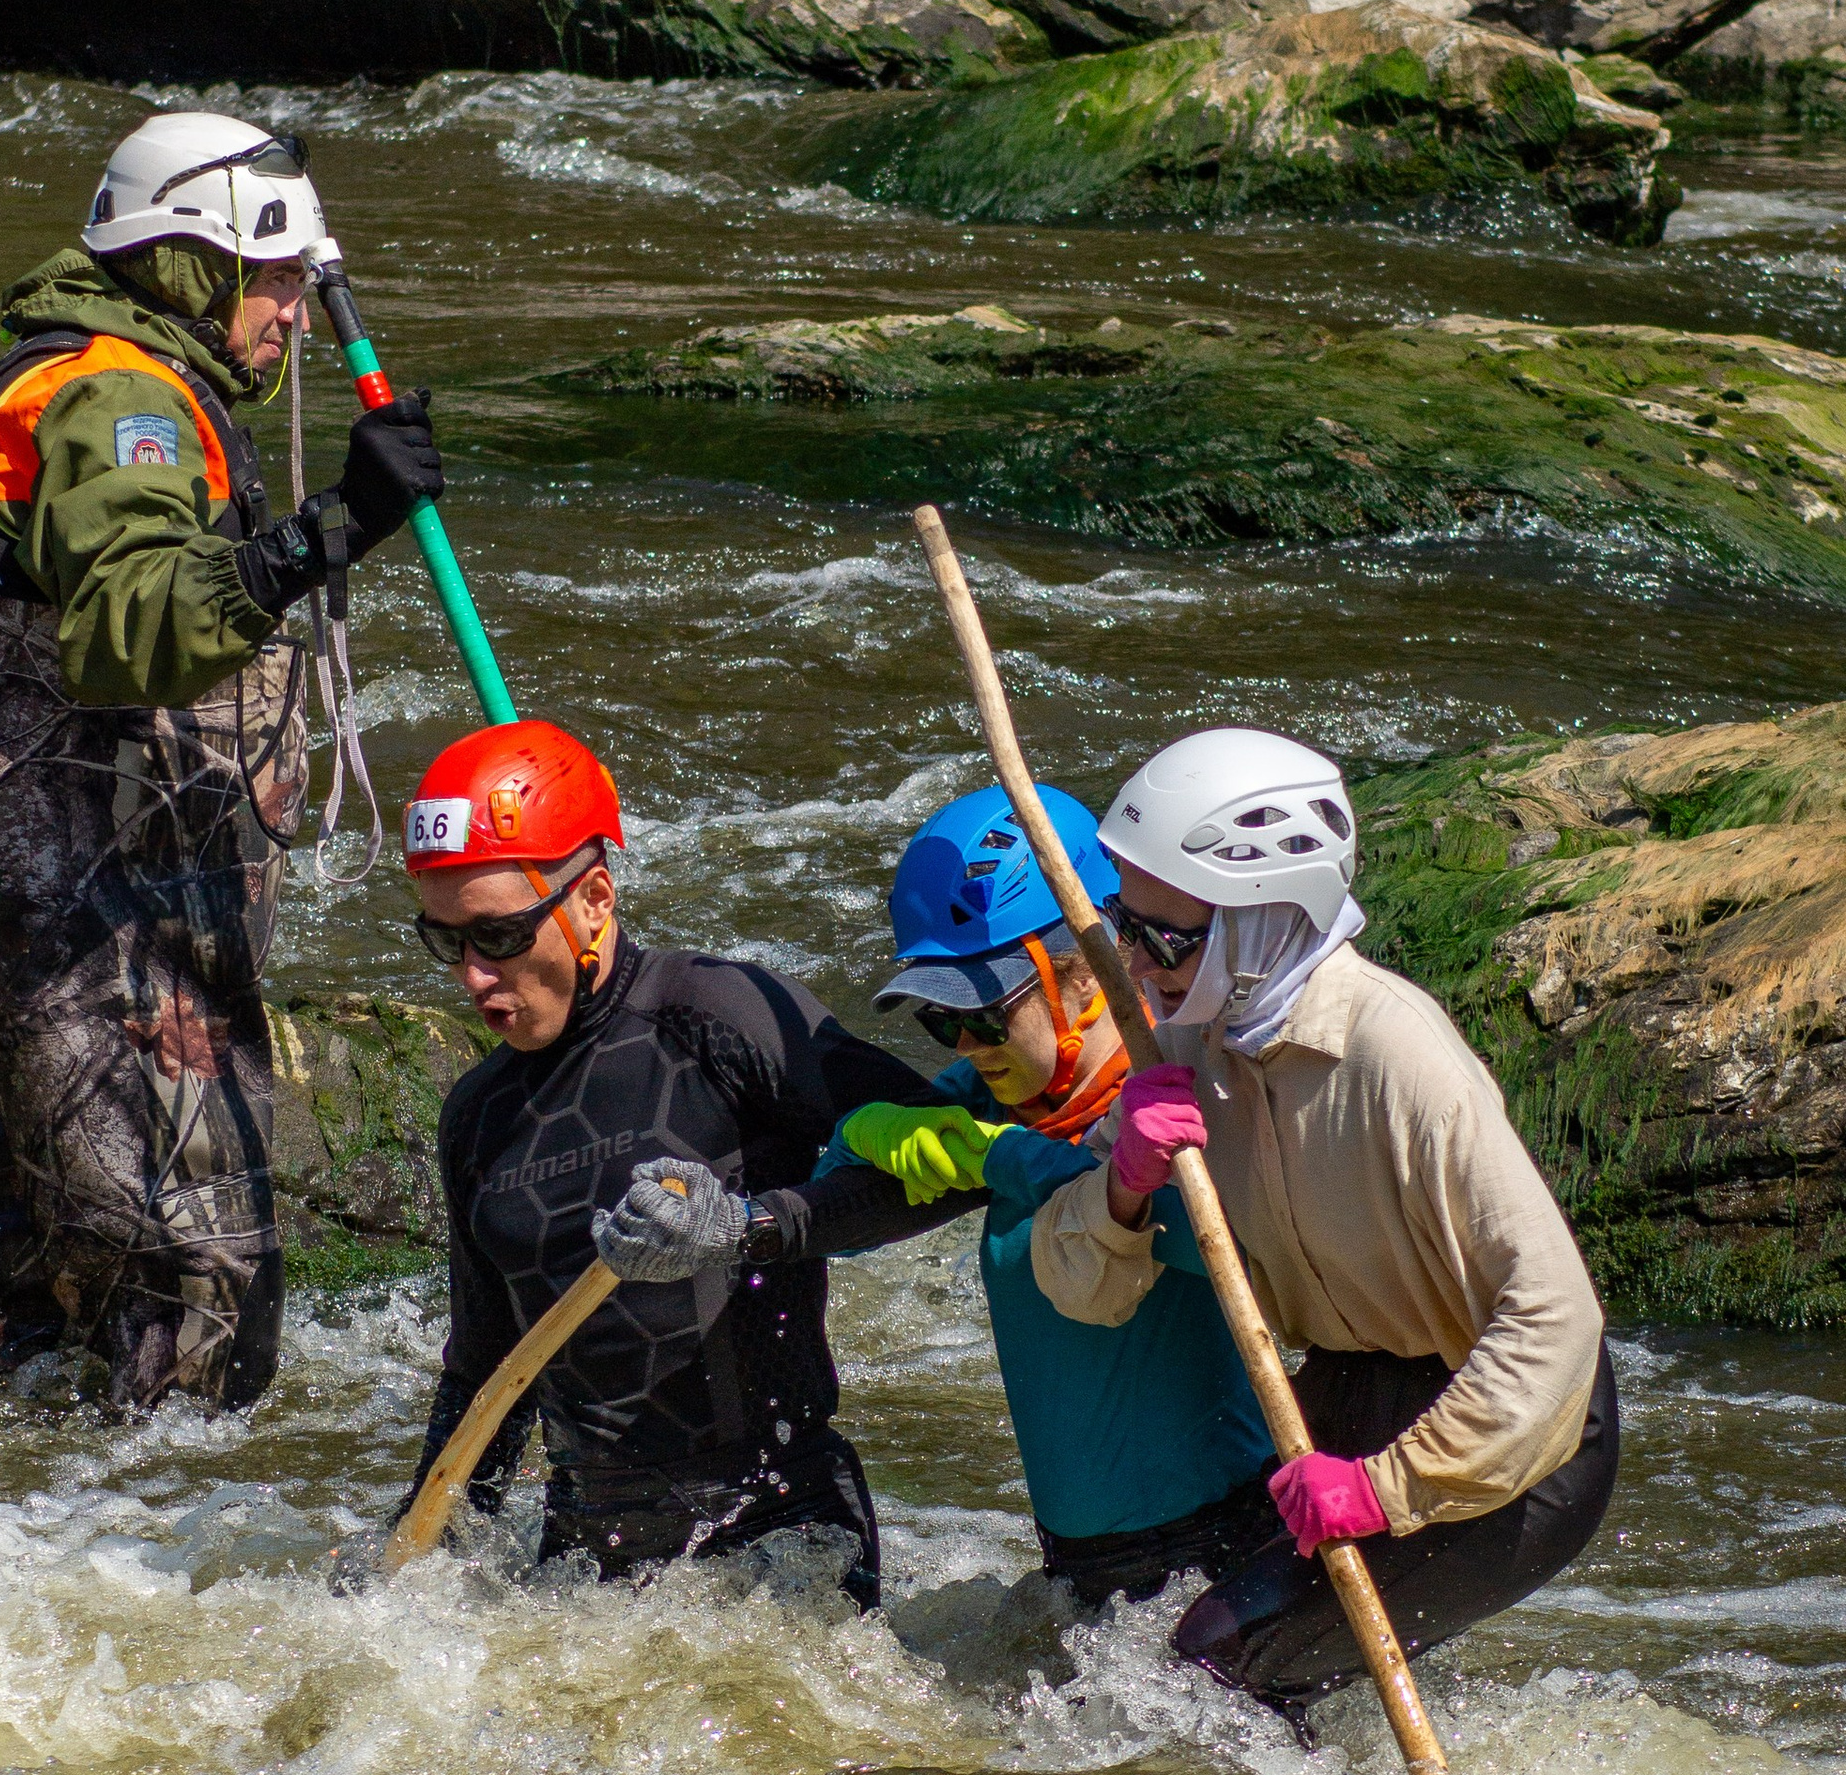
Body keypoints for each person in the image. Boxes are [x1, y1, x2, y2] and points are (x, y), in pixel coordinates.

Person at [0, 108, 443, 1411]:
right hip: (95, 959)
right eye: (273, 276)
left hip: (58, 948)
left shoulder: (112, 393)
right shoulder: (115, 406)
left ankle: (26, 1567)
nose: (290, 310)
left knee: (30, 1347)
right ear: (188, 264)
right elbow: (126, 628)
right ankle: (159, 1592)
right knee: (190, 1325)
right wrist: (334, 529)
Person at [1028, 726, 1618, 1716]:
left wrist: (1389, 1487)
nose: (1130, 961)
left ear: (1266, 921)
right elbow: (1075, 1286)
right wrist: (1123, 1180)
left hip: (1516, 1437)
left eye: (1164, 938)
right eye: (1123, 922)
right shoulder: (1185, 1040)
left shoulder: (1395, 1054)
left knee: (1208, 1667)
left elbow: (1558, 1325)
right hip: (1345, 1400)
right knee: (1141, 1628)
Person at [402, 719, 944, 1605]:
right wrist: (413, 1562)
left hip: (777, 1524)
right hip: (583, 1551)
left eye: (497, 936)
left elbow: (952, 1158)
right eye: (444, 940)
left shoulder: (720, 1015)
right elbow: (482, 1369)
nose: (471, 976)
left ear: (595, 899)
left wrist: (746, 1226)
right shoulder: (475, 1117)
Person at [801, 785, 1282, 1609]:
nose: (964, 1043)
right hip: (1080, 1567)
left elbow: (1211, 1246)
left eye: (985, 1014)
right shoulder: (998, 1096)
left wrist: (1009, 1159)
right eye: (938, 1018)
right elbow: (835, 1229)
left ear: (1088, 974)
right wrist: (869, 1129)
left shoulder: (1172, 1107)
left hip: (1216, 1551)